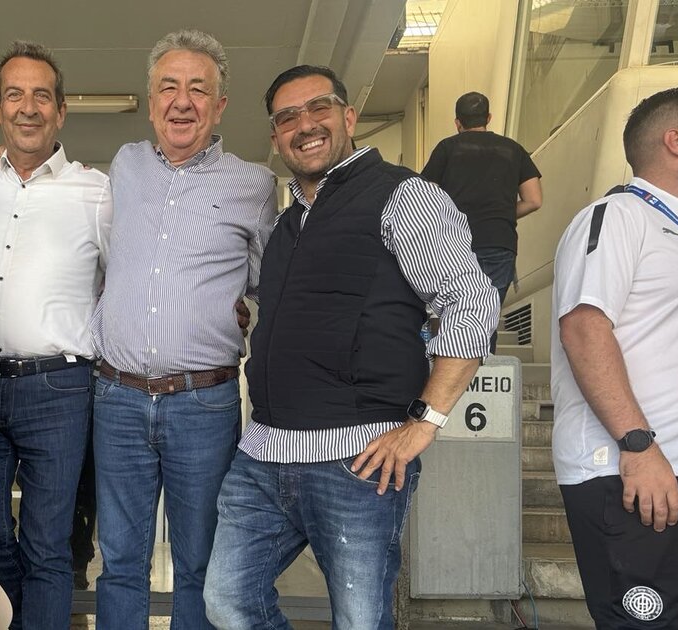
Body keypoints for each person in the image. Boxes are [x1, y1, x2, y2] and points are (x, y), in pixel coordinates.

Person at [204, 65, 498, 630]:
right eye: (287, 117)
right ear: (275, 136)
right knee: (227, 602)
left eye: (319, 108)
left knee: (360, 622)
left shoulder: (404, 195)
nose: (305, 125)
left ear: (348, 116)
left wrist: (426, 420)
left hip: (358, 459)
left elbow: (471, 302)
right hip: (263, 454)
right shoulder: (286, 224)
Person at [89, 29, 277, 630]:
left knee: (200, 564)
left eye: (199, 89)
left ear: (220, 106)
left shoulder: (254, 185)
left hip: (203, 404)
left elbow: (265, 283)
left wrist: (232, 308)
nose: (182, 101)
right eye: (168, 87)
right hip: (116, 399)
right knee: (120, 562)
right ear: (151, 102)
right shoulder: (125, 166)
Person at [551, 84, 678, 629]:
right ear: (677, 141)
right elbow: (584, 328)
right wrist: (638, 445)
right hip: (637, 470)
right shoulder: (617, 216)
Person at [0, 41, 112, 629]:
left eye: (42, 96)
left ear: (61, 111)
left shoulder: (96, 191)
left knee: (48, 546)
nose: (28, 108)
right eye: (15, 95)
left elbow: (133, 276)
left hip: (59, 389)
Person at [421, 91, 542, 307]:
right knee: (488, 317)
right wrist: (502, 213)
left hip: (456, 245)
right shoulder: (513, 149)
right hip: (499, 243)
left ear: (458, 122)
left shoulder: (446, 148)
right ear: (488, 118)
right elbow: (534, 200)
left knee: (460, 314)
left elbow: (426, 197)